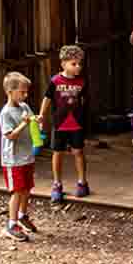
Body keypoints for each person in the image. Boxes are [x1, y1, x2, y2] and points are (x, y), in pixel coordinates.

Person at [40, 44, 92, 200]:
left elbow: (84, 101)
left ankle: (82, 182)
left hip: (76, 123)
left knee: (78, 152)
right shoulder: (55, 81)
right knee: (58, 153)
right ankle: (57, 184)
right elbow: (47, 98)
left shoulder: (82, 82)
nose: (78, 67)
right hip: (59, 123)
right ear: (63, 64)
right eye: (74, 64)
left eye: (79, 64)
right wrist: (42, 114)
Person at [0, 72, 41, 242]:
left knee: (27, 188)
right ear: (10, 91)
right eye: (22, 92)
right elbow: (11, 136)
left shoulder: (24, 107)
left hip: (27, 156)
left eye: (26, 92)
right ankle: (11, 223)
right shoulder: (6, 113)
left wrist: (37, 120)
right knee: (17, 191)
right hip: (13, 159)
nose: (25, 95)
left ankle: (23, 215)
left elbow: (31, 120)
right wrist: (24, 123)